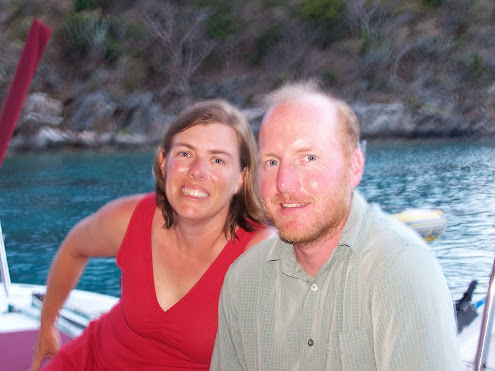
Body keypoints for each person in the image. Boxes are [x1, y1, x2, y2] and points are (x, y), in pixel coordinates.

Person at [211, 81, 461, 370]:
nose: (284, 183)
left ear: (355, 166)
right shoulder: (243, 280)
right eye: (271, 162)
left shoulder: (401, 270)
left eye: (309, 158)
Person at [31, 99, 274, 370]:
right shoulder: (130, 218)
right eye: (185, 153)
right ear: (163, 161)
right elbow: (75, 247)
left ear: (241, 177)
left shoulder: (260, 254)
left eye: (217, 159)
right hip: (91, 361)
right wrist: (47, 323)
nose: (197, 172)